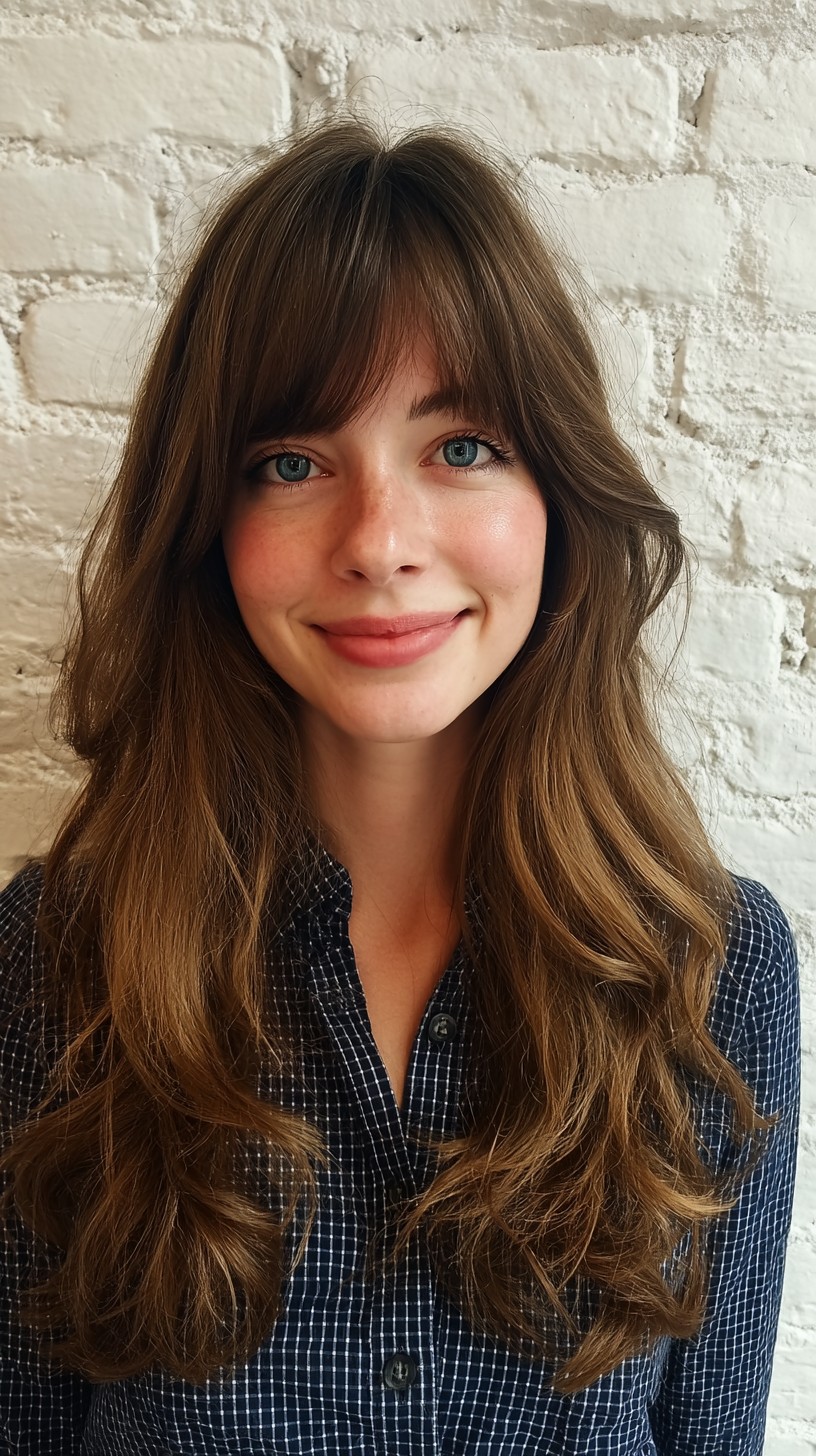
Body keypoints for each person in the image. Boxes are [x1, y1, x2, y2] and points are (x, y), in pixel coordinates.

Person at [0, 109, 800, 1455]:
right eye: (294, 463)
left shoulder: (715, 977)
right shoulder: (56, 963)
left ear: (560, 493)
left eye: (462, 446)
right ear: (213, 522)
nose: (379, 543)